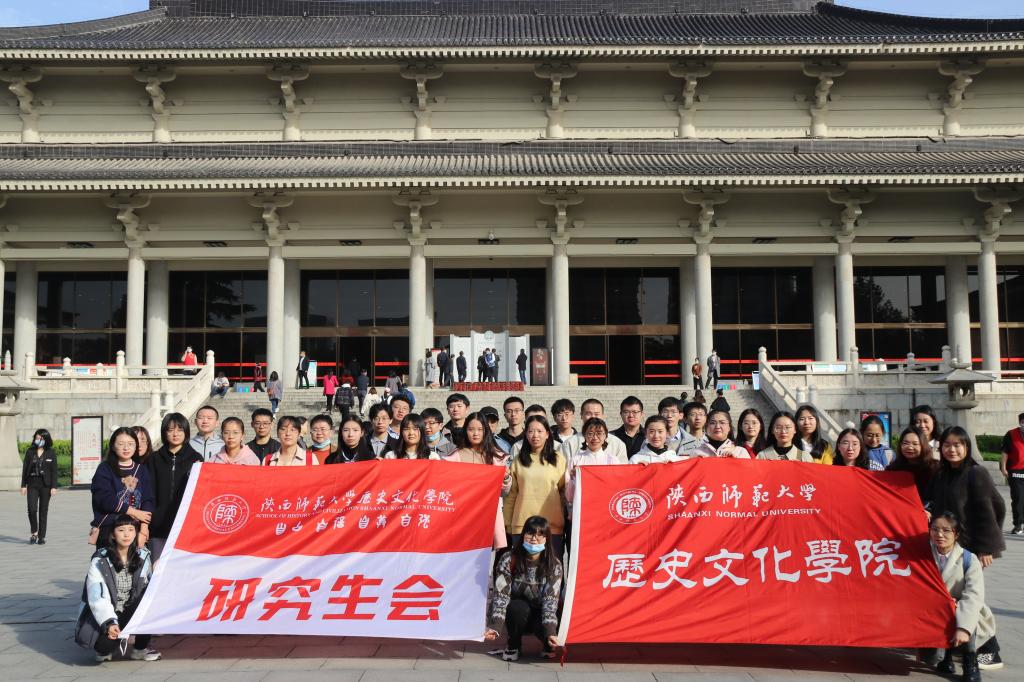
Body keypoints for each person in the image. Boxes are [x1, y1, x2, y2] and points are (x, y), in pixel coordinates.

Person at [74, 516, 161, 662]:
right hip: (109, 614)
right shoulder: (100, 560)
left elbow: (151, 587)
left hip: (131, 611)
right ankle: (112, 639)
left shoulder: (143, 555)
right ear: (113, 534)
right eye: (121, 530)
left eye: (131, 530)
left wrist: (159, 570)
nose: (126, 534)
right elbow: (97, 595)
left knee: (149, 598)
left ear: (136, 533)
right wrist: (109, 622)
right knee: (103, 648)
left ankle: (140, 648)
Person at [929, 512, 997, 681]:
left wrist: (963, 628)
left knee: (966, 617)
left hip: (965, 609)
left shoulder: (969, 559)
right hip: (935, 610)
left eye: (946, 530)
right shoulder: (924, 555)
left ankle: (970, 661)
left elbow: (973, 596)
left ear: (956, 534)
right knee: (930, 658)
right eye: (935, 529)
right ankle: (946, 657)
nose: (939, 534)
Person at [485, 516, 563, 662]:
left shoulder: (554, 565)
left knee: (550, 624)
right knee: (517, 608)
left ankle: (548, 643)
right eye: (530, 533)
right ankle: (514, 644)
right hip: (518, 611)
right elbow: (501, 595)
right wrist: (495, 626)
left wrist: (550, 631)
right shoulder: (508, 559)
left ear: (546, 539)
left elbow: (550, 601)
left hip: (541, 612)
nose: (534, 539)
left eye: (540, 535)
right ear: (523, 535)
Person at [928, 426, 1006, 571]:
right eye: (947, 445)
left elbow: (989, 511)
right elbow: (932, 501)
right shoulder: (940, 474)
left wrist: (986, 548)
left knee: (965, 583)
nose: (952, 450)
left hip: (968, 546)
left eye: (957, 445)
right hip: (942, 543)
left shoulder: (976, 473)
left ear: (966, 447)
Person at [447, 411, 513, 549]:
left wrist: (506, 478)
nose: (475, 433)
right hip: (462, 515)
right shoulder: (455, 456)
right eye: (471, 429)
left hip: (488, 515)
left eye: (480, 429)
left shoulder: (496, 457)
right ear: (465, 431)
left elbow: (504, 491)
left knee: (486, 556)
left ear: (486, 431)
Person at [505, 415, 567, 558]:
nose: (535, 435)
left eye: (540, 431)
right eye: (531, 431)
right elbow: (511, 494)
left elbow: (564, 492)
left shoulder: (558, 459)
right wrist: (507, 523)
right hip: (522, 526)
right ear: (526, 434)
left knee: (552, 567)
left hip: (552, 526)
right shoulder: (518, 460)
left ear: (547, 434)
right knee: (522, 567)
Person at [147, 413, 203, 561]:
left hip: (185, 525)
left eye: (179, 430)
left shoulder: (196, 459)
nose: (175, 434)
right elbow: (149, 491)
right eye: (170, 430)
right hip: (158, 525)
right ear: (164, 433)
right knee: (157, 566)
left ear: (186, 432)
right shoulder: (154, 459)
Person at [91, 427, 153, 548]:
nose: (126, 448)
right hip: (110, 531)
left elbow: (148, 499)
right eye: (121, 444)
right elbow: (104, 499)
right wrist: (134, 512)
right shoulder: (105, 468)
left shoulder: (141, 470)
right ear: (113, 446)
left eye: (130, 444)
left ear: (135, 446)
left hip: (134, 530)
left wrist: (144, 529)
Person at [565, 417, 622, 518]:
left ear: (605, 436)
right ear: (585, 436)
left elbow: (619, 488)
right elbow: (569, 497)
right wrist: (573, 479)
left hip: (607, 511)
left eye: (599, 433)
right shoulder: (576, 460)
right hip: (583, 511)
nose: (595, 437)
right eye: (590, 433)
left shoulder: (613, 461)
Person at [558, 399, 628, 464]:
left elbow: (623, 470)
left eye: (597, 414)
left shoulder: (617, 444)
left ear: (603, 416)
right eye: (588, 414)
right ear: (581, 415)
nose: (593, 417)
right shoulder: (569, 444)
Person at [21, 428, 57, 545]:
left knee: (43, 511)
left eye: (40, 438)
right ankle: (34, 532)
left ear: (46, 439)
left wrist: (54, 486)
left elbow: (54, 471)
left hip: (45, 485)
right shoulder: (30, 451)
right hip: (32, 484)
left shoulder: (51, 452)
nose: (38, 440)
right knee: (31, 509)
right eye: (36, 438)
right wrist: (23, 485)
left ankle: (41, 536)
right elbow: (25, 469)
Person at [888, 426, 938, 502]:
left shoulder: (934, 468)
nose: (910, 447)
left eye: (915, 444)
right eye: (905, 443)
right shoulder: (893, 469)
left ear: (923, 445)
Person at [1000, 411, 1024, 535]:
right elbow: (1005, 452)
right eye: (1023, 422)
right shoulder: (1011, 434)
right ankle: (1018, 525)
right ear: (1020, 422)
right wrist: (1003, 468)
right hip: (1016, 470)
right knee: (1018, 498)